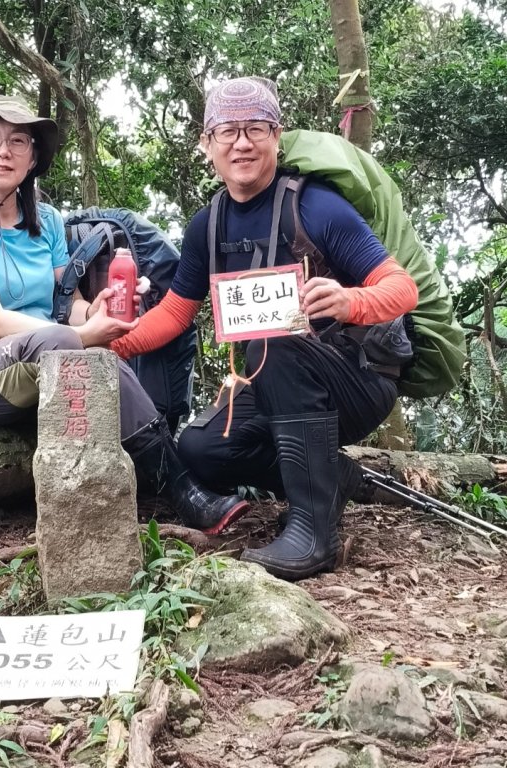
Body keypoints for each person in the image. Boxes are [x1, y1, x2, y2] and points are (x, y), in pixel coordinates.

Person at [110, 77, 419, 580]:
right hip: (276, 377)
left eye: (256, 128)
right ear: (207, 143)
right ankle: (332, 477)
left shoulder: (315, 206)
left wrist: (350, 300)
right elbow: (173, 314)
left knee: (276, 336)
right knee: (201, 449)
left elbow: (402, 288)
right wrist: (106, 343)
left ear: (277, 136)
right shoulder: (207, 226)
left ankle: (313, 533)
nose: (242, 142)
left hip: (356, 380)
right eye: (227, 130)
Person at [0, 92, 246, 529]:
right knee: (66, 343)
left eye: (18, 141)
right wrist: (79, 336)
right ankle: (182, 489)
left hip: (46, 361)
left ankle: (171, 483)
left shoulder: (46, 222)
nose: (4, 151)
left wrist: (96, 312)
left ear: (32, 158)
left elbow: (68, 304)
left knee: (76, 346)